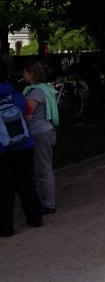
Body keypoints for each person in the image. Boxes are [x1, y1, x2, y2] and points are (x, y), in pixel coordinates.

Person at [1, 65, 43, 236]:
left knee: (4, 190)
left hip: (2, 149)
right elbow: (26, 114)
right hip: (24, 146)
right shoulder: (16, 95)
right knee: (26, 184)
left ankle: (6, 227)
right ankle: (35, 218)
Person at [21, 60, 58, 215]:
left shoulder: (35, 92)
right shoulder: (45, 89)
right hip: (47, 130)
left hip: (39, 132)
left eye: (25, 72)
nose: (23, 75)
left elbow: (28, 114)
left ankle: (48, 203)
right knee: (44, 168)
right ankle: (47, 201)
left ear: (32, 74)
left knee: (43, 169)